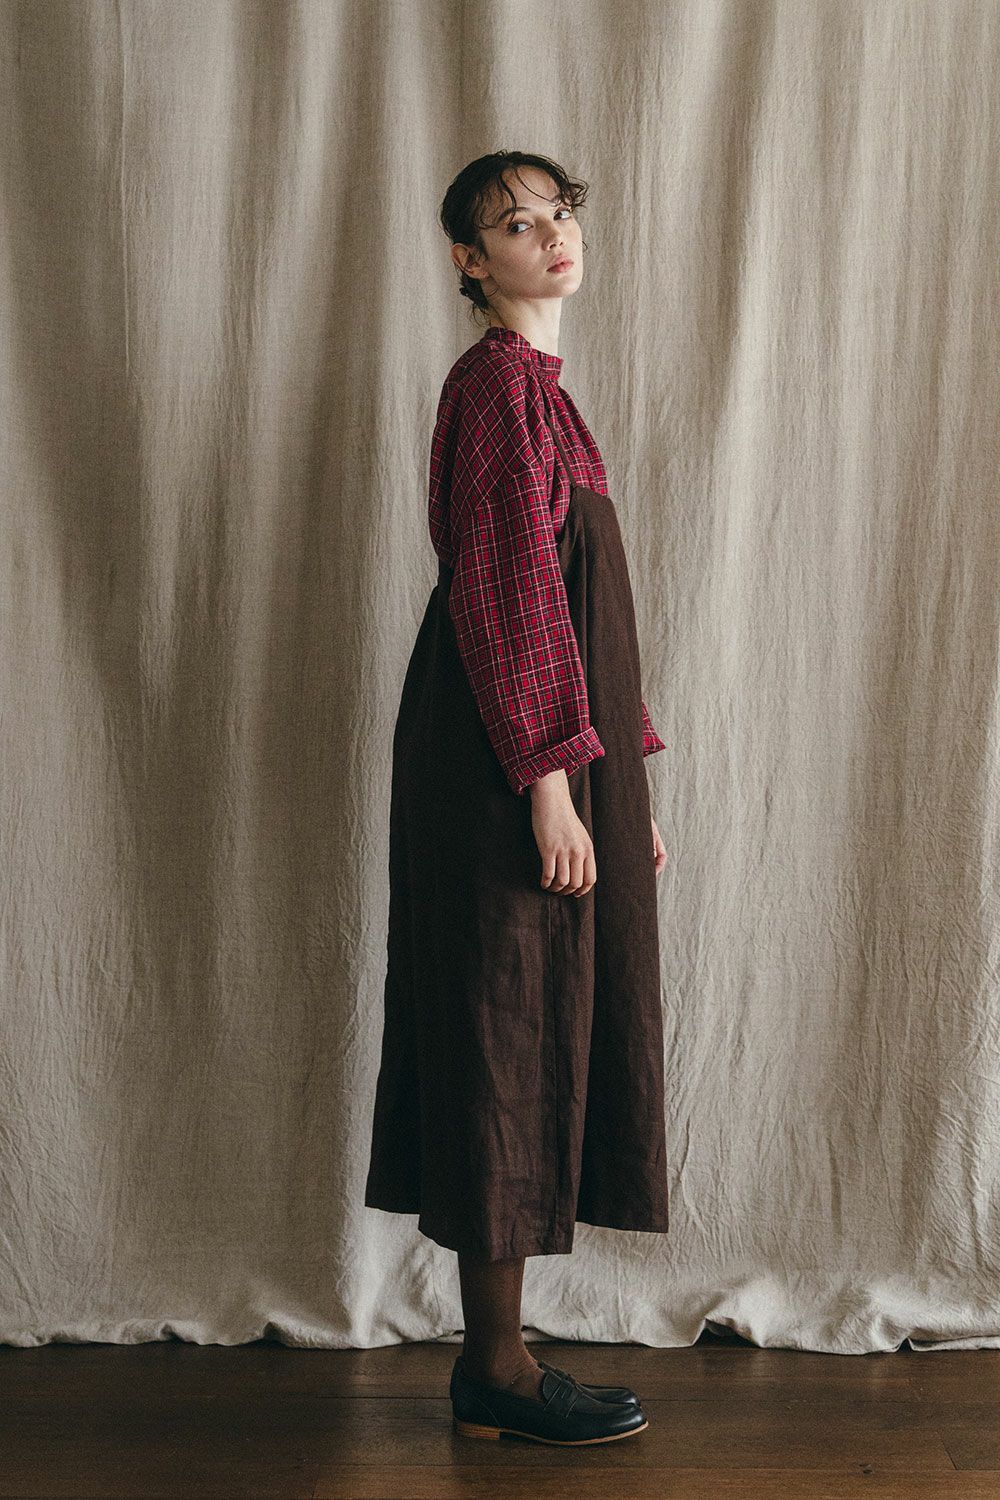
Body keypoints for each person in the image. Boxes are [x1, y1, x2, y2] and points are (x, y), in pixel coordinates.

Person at [364, 149, 670, 1446]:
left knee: (539, 1026)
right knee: (502, 1030)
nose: (550, 237)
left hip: (544, 754)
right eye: (514, 223)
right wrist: (550, 785)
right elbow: (505, 591)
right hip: (501, 761)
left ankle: (499, 1361)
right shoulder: (494, 385)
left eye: (558, 215)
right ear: (468, 260)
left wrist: (619, 784)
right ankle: (493, 1368)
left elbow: (583, 605)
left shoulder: (546, 394)